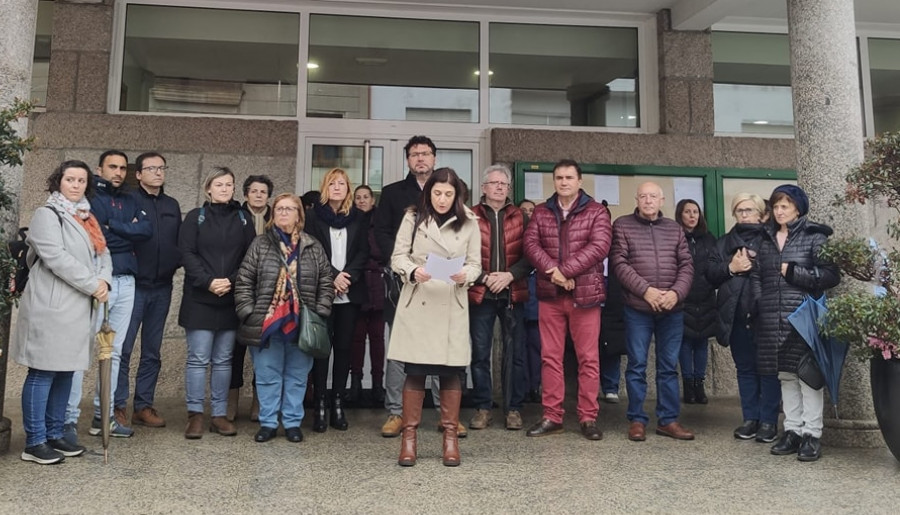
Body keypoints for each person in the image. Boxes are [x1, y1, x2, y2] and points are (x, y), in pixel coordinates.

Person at [14, 160, 112, 464]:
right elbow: (55, 257)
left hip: (78, 307)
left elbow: (103, 252)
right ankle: (35, 441)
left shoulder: (86, 216)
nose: (75, 185)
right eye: (70, 179)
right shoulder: (47, 214)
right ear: (59, 181)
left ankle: (56, 433)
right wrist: (91, 284)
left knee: (65, 372)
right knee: (43, 371)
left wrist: (105, 279)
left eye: (81, 180)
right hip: (51, 306)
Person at [373, 135, 465, 439]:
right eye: (414, 154)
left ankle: (445, 414)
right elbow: (382, 234)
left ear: (434, 158)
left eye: (425, 154)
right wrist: (409, 266)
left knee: (443, 347)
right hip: (407, 282)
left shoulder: (452, 192)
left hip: (443, 283)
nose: (420, 159)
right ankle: (396, 412)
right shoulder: (392, 194)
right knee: (401, 347)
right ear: (408, 160)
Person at [389, 167, 481, 467]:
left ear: (457, 195)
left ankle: (450, 439)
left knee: (450, 373)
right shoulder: (413, 217)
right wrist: (412, 271)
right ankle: (409, 439)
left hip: (451, 302)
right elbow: (397, 257)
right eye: (437, 193)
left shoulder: (469, 221)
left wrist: (465, 274)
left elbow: (476, 263)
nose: (442, 199)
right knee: (415, 372)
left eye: (448, 194)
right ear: (428, 192)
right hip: (420, 302)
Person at [523, 159, 611, 441]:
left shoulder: (596, 211)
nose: (564, 182)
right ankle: (552, 416)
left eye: (569, 177)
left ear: (580, 181)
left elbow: (599, 247)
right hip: (551, 295)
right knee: (550, 357)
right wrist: (555, 274)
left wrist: (565, 271)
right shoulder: (541, 211)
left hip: (584, 296)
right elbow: (530, 245)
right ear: (554, 181)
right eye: (559, 177)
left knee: (588, 358)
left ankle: (588, 417)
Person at [66, 150, 151, 443]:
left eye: (122, 168)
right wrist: (126, 232)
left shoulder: (132, 199)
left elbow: (147, 231)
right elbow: (97, 238)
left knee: (113, 352)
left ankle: (104, 417)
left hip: (127, 281)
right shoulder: (91, 199)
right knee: (81, 351)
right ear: (99, 169)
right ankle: (68, 419)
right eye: (112, 166)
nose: (117, 172)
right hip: (98, 281)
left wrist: (115, 228)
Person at [235, 193, 335, 443]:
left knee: (297, 376)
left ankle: (292, 422)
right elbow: (244, 280)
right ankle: (268, 423)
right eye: (279, 208)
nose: (283, 213)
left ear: (299, 215)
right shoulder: (260, 244)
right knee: (267, 376)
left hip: (302, 323)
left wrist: (321, 310)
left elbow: (325, 282)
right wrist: (248, 311)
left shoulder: (312, 246)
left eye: (290, 209)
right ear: (273, 213)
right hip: (267, 323)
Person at [752, 185, 840, 462]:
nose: (779, 211)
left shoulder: (815, 237)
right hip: (771, 319)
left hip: (802, 319)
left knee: (808, 378)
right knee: (786, 377)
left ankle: (812, 434)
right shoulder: (764, 239)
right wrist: (759, 303)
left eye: (785, 205)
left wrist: (794, 272)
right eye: (776, 206)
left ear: (798, 208)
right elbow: (755, 277)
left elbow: (830, 275)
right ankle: (791, 430)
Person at [611, 182, 694, 442]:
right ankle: (637, 419)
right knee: (636, 365)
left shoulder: (674, 228)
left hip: (672, 308)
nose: (648, 201)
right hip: (638, 308)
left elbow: (687, 265)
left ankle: (668, 420)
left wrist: (675, 294)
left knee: (669, 367)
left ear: (662, 200)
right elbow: (619, 262)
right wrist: (646, 291)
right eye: (643, 197)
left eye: (653, 197)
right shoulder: (622, 225)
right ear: (636, 199)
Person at [178, 167, 257, 439]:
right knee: (198, 359)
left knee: (224, 360)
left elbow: (251, 256)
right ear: (208, 189)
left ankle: (219, 415)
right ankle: (195, 415)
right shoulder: (194, 218)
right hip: (200, 297)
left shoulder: (244, 219)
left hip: (230, 298)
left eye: (229, 185)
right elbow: (187, 253)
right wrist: (209, 281)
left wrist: (232, 281)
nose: (225, 189)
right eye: (219, 184)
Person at [116, 152, 181, 429]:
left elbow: (178, 240)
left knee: (152, 351)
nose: (157, 172)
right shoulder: (127, 202)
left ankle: (143, 406)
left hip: (162, 286)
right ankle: (117, 405)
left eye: (161, 167)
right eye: (151, 168)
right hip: (134, 285)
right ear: (139, 174)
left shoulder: (172, 204)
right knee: (124, 349)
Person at [707, 193, 781, 442]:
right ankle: (750, 419)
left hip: (766, 315)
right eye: (739, 210)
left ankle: (769, 422)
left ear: (762, 214)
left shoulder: (773, 239)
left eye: (749, 210)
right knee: (745, 370)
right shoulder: (724, 242)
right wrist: (731, 267)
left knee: (768, 370)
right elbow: (710, 273)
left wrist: (755, 263)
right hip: (736, 315)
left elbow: (780, 270)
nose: (744, 214)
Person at [304, 168, 369, 432]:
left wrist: (347, 277)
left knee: (344, 348)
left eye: (342, 183)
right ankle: (320, 402)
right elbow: (311, 250)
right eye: (332, 183)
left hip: (349, 294)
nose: (337, 187)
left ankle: (337, 402)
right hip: (323, 290)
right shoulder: (311, 217)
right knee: (322, 349)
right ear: (325, 187)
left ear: (348, 188)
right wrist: (333, 277)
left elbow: (364, 251)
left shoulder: (359, 218)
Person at [468, 165, 532, 431]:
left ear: (508, 188)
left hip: (512, 293)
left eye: (503, 184)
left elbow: (531, 255)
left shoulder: (522, 217)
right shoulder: (470, 216)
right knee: (480, 353)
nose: (498, 187)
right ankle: (483, 407)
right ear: (483, 188)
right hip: (481, 293)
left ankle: (513, 408)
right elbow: (460, 254)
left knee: (515, 354)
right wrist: (484, 278)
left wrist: (509, 275)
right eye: (493, 183)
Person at [227, 174, 274, 422]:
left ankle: (259, 402)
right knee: (235, 350)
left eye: (263, 192)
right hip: (238, 289)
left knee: (263, 348)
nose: (258, 195)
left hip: (266, 293)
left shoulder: (275, 219)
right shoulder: (235, 216)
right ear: (245, 194)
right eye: (253, 191)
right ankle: (231, 403)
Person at [675, 199, 717, 405]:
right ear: (679, 215)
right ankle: (688, 384)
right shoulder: (675, 236)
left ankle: (700, 383)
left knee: (701, 342)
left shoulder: (709, 239)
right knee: (685, 341)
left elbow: (715, 266)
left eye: (695, 212)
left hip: (706, 297)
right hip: (683, 298)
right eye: (687, 212)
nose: (692, 216)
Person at [348, 184, 386, 406]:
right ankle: (355, 384)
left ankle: (378, 385)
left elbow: (382, 251)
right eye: (358, 198)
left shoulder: (380, 223)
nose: (362, 201)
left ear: (373, 200)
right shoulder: (351, 221)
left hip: (378, 283)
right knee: (356, 338)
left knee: (378, 338)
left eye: (365, 197)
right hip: (357, 283)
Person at [518, 199, 541, 403]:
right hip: (517, 299)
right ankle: (521, 388)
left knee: (536, 348)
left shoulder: (541, 235)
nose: (527, 213)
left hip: (536, 303)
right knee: (518, 348)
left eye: (531, 210)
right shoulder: (515, 235)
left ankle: (534, 386)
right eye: (523, 210)